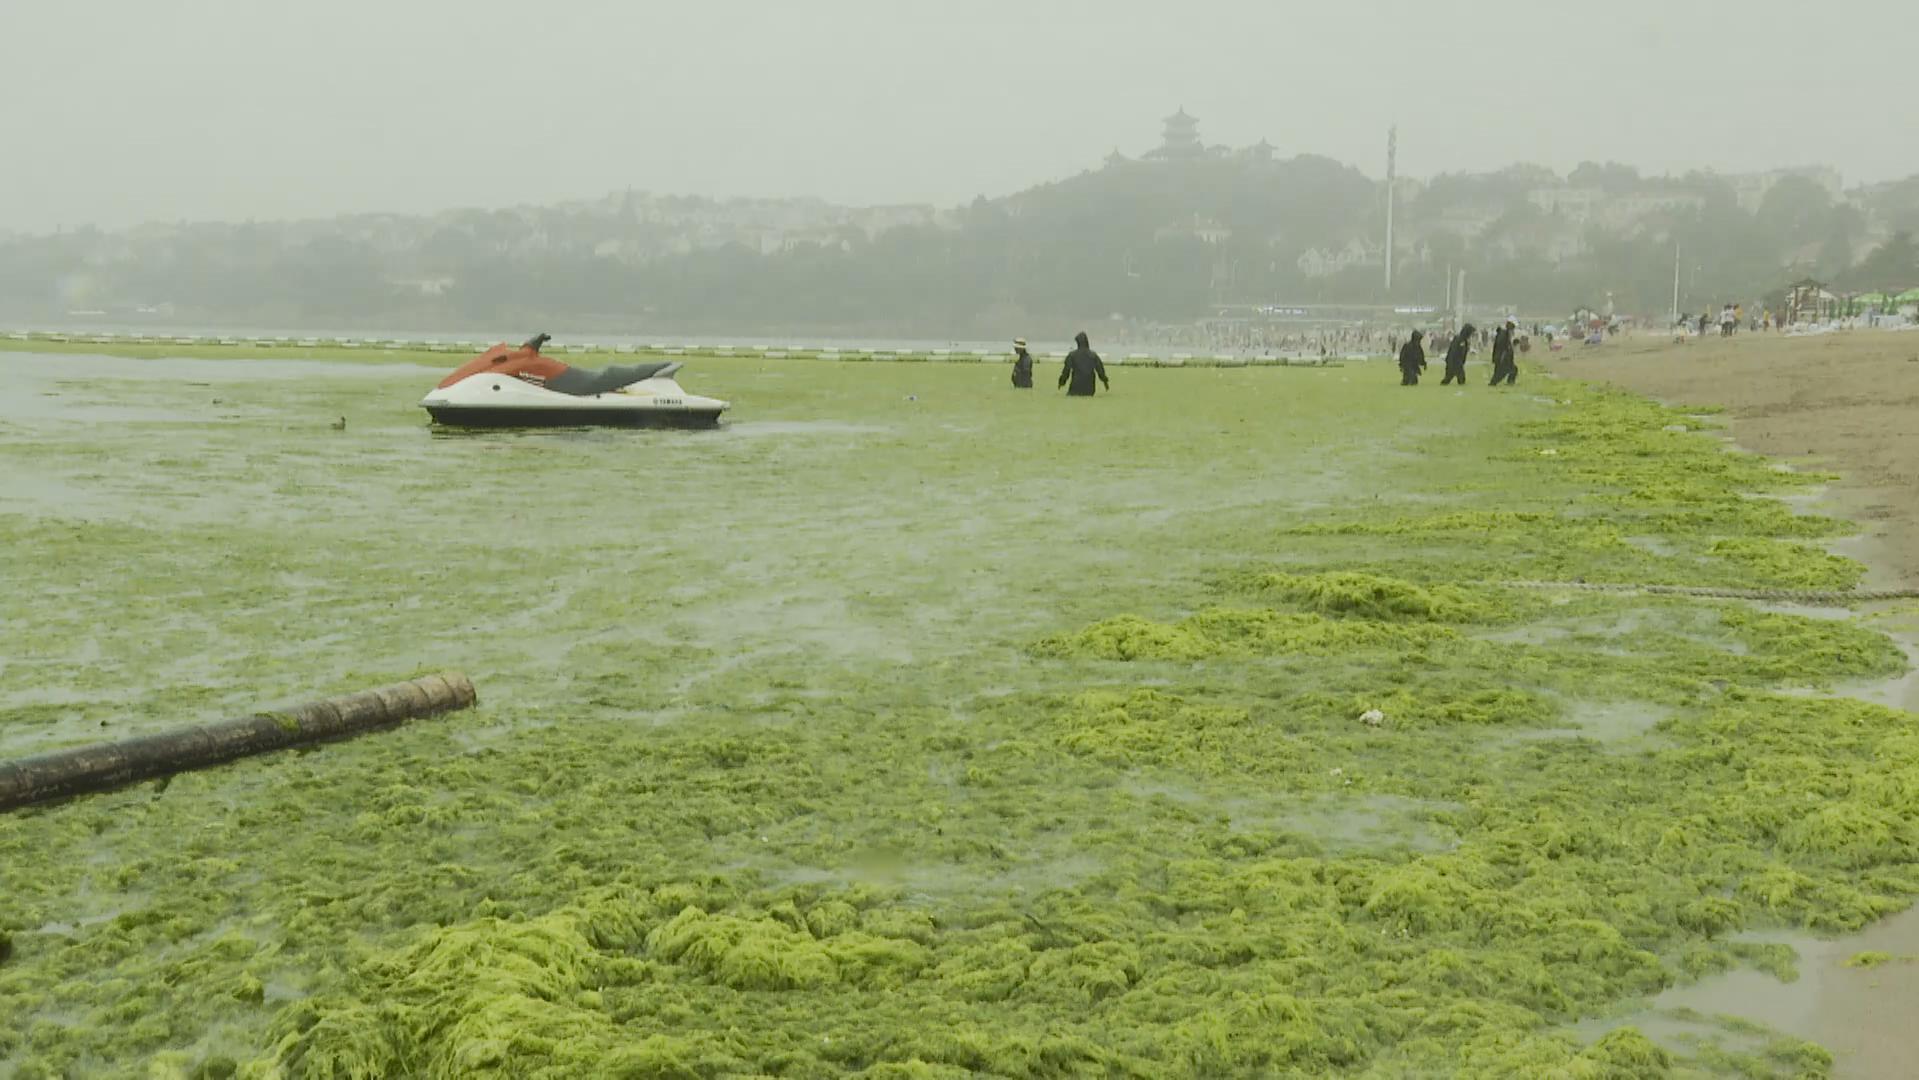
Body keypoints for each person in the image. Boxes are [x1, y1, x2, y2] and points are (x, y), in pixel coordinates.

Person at [1058, 331, 1110, 397]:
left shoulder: (1072, 355)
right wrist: (1105, 382)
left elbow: (1066, 371)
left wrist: (1061, 382)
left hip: (1075, 387)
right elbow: (1100, 371)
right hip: (1090, 389)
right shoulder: (1093, 355)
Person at [1489, 318, 1517, 386]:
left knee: (1512, 369)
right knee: (1501, 372)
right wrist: (1505, 352)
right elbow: (1501, 345)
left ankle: (1509, 382)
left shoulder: (1505, 333)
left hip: (1504, 357)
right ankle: (1493, 383)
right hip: (1502, 357)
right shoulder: (1503, 333)